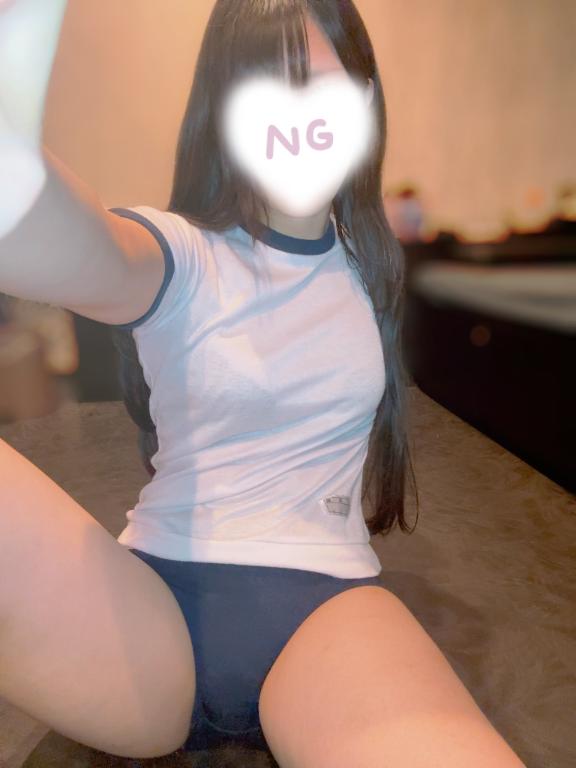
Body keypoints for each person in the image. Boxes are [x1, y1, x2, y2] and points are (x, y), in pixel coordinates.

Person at [0, 1, 527, 766]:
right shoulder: (184, 254)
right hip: (142, 621)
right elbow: (83, 251)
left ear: (365, 101)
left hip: (323, 611)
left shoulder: (368, 267)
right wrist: (12, 166)